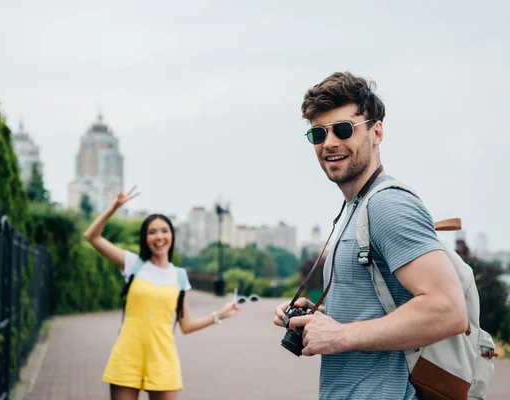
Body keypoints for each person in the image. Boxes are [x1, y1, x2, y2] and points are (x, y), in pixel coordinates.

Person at [273, 72, 468, 399]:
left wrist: (341, 335)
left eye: (344, 129)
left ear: (376, 131)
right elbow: (379, 307)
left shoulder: (388, 205)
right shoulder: (356, 206)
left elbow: (448, 310)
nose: (330, 143)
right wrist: (321, 318)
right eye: (318, 133)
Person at [84, 186, 240, 400]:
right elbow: (92, 237)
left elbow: (186, 326)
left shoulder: (179, 276)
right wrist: (114, 207)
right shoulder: (133, 264)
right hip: (127, 354)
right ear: (145, 238)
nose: (159, 237)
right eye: (152, 232)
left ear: (172, 236)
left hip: (162, 358)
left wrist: (219, 315)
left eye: (164, 230)